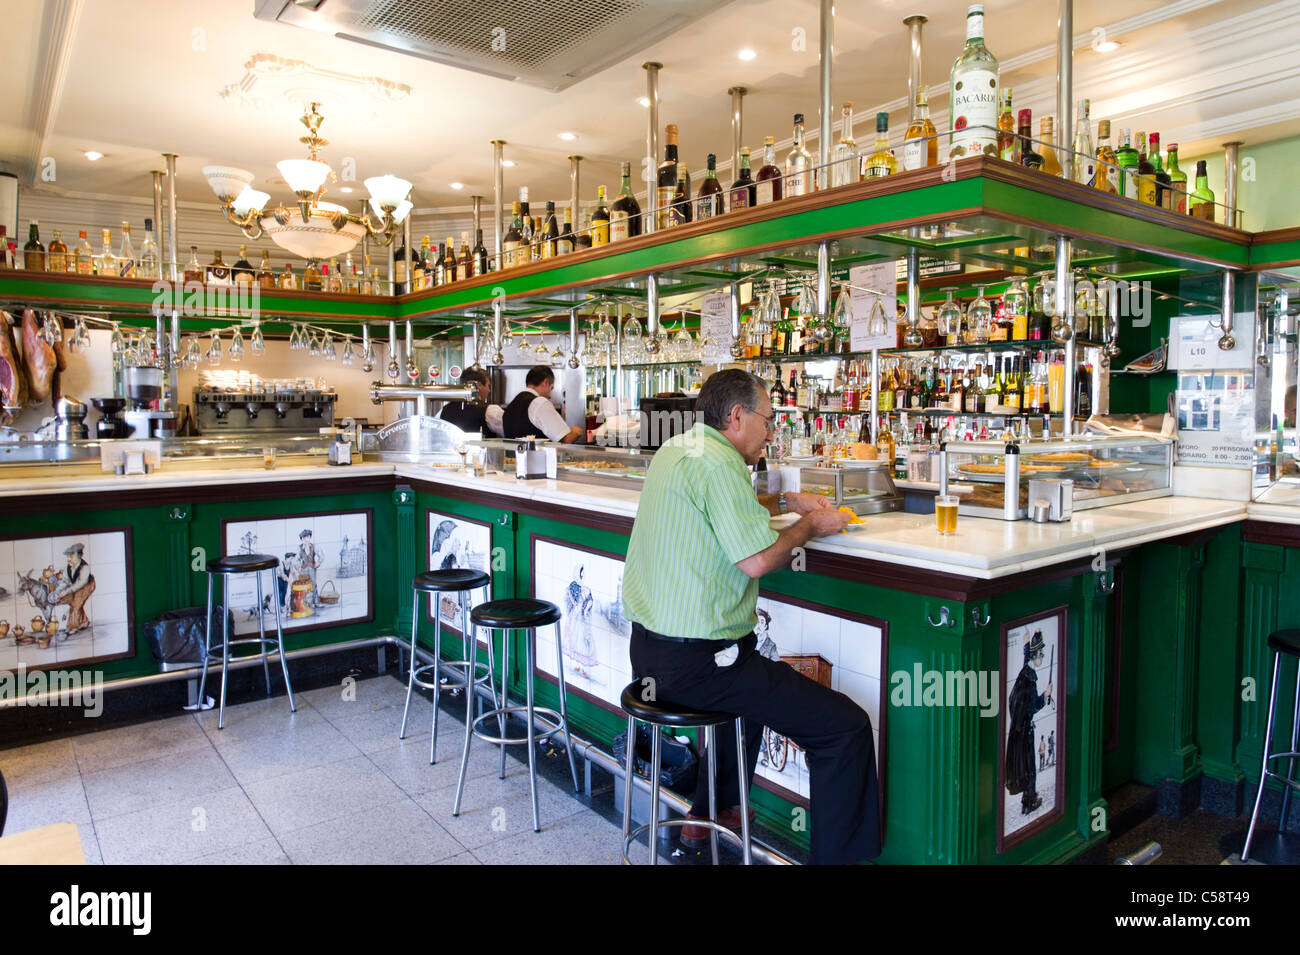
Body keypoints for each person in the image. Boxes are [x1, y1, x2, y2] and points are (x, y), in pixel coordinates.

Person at [621, 368, 880, 865]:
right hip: (697, 668)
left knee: (749, 675)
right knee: (844, 728)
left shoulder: (679, 450)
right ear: (737, 416)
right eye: (767, 419)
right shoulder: (721, 465)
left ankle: (708, 816)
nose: (771, 432)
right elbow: (759, 559)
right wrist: (810, 524)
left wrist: (785, 500)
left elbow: (725, 512)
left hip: (650, 654)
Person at [1005, 629, 1051, 815]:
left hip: (1017, 731)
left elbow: (1026, 658)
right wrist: (1046, 696)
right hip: (1026, 732)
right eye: (1041, 654)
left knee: (1025, 765)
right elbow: (1031, 708)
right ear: (1036, 655)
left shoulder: (1024, 672)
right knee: (1030, 767)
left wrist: (1027, 642)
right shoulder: (1030, 684)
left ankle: (1028, 798)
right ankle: (1029, 801)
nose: (1043, 658)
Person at [499, 365, 582, 443]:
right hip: (537, 458)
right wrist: (576, 431)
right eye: (551, 388)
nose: (550, 396)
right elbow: (567, 439)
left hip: (513, 458)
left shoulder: (510, 407)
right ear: (545, 382)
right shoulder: (539, 403)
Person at [439, 368, 503, 436]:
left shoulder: (444, 410)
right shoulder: (490, 410)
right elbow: (510, 431)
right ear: (479, 385)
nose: (489, 390)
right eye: (488, 385)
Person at [53, 543, 95, 634]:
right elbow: (65, 581)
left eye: (71, 556)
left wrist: (67, 591)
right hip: (75, 585)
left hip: (87, 585)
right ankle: (84, 621)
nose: (69, 558)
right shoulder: (68, 566)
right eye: (68, 556)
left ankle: (73, 626)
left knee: (76, 603)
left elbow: (80, 583)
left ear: (79, 556)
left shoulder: (85, 567)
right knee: (72, 600)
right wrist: (59, 591)